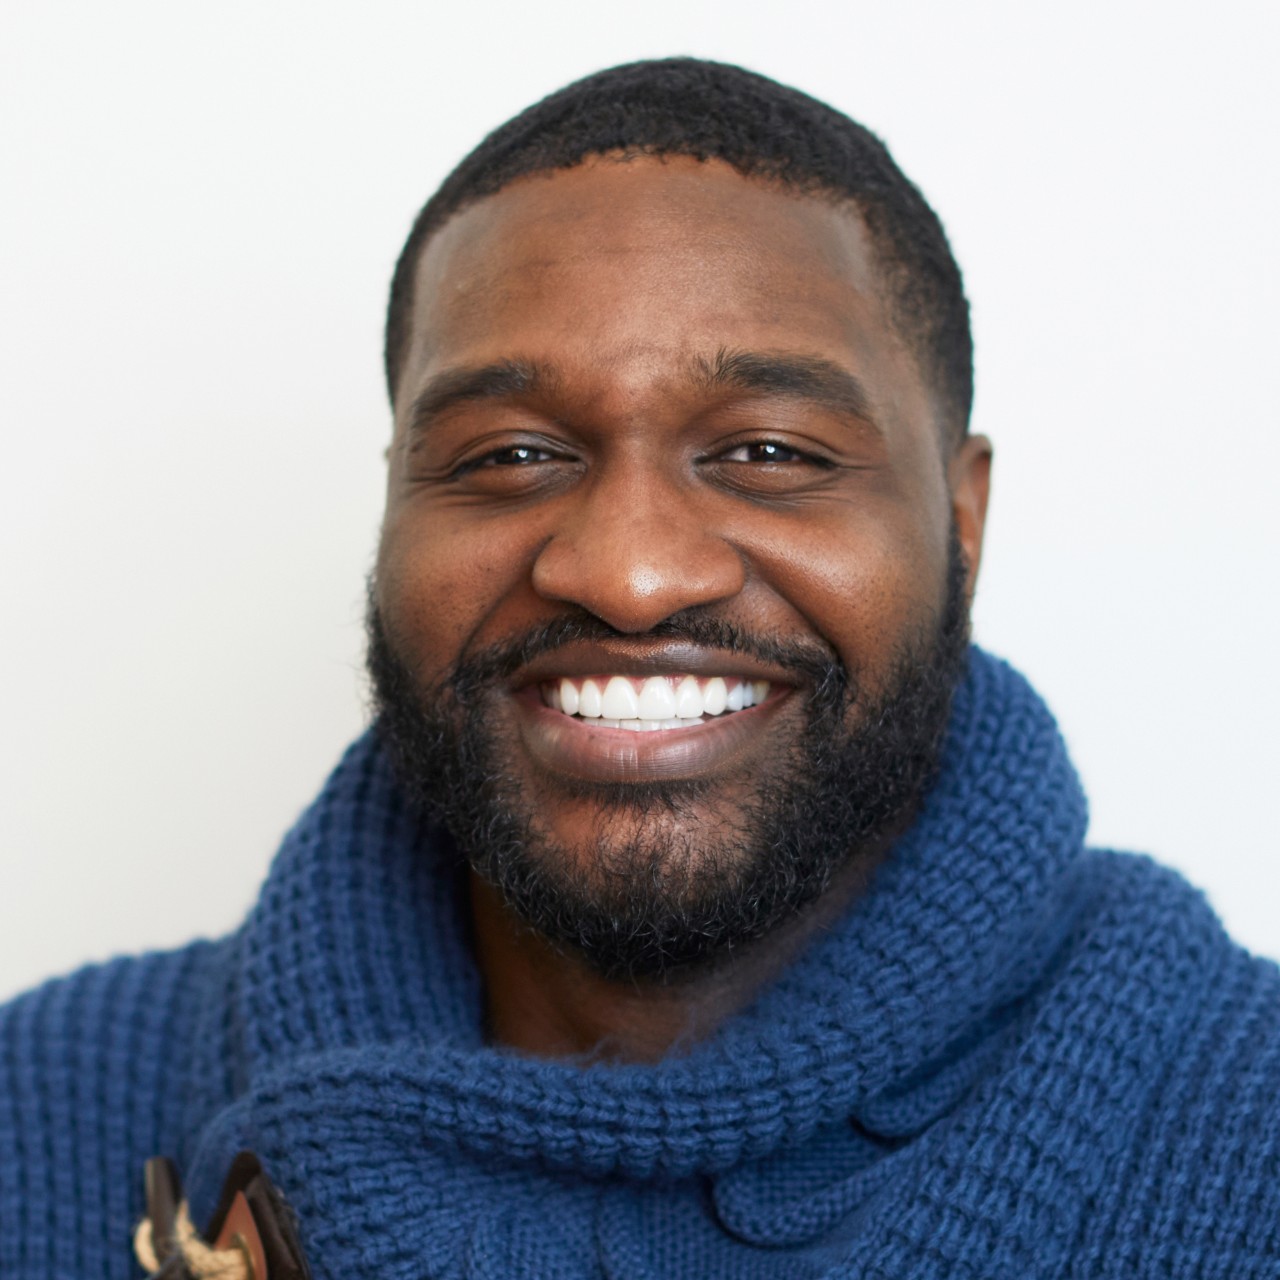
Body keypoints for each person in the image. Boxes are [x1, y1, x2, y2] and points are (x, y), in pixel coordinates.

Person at [2, 56, 1277, 1280]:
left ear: (960, 519)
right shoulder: (37, 1108)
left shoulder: (1244, 1125)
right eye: (509, 455)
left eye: (769, 452)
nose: (628, 572)